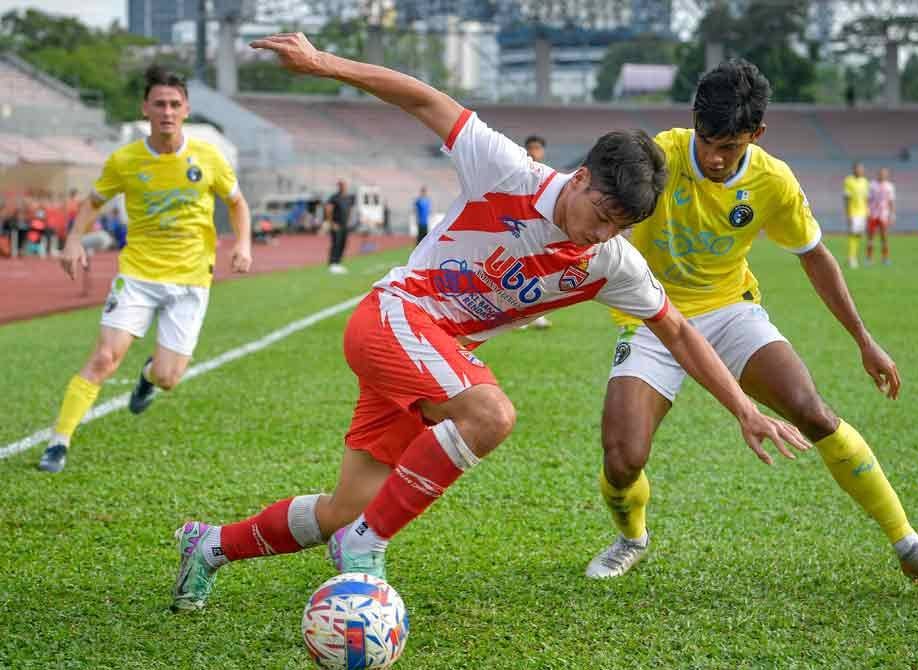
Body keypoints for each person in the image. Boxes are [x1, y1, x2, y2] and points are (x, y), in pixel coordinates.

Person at [168, 33, 809, 612]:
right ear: (580, 177)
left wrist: (744, 411)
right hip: (393, 317)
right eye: (602, 213)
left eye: (621, 226)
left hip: (428, 357)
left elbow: (679, 333)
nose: (603, 233)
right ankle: (365, 550)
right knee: (491, 414)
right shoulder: (506, 170)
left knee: (345, 507)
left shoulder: (611, 262)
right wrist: (319, 62)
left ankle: (211, 547)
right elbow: (422, 98)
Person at [585, 59, 918, 587]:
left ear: (757, 134)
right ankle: (632, 537)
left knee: (813, 413)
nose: (717, 157)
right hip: (654, 315)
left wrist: (864, 339)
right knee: (623, 457)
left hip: (730, 309)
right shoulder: (661, 155)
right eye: (708, 140)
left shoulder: (773, 181)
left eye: (732, 146)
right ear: (693, 120)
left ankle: (909, 544)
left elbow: (815, 256)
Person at [37, 65, 252, 474]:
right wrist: (72, 240)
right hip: (137, 274)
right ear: (146, 108)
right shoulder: (125, 160)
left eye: (174, 104)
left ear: (186, 109)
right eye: (159, 104)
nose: (167, 111)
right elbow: (93, 202)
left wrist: (243, 243)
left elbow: (237, 202)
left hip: (191, 280)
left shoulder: (208, 157)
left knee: (170, 377)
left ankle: (149, 378)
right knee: (103, 358)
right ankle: (58, 442)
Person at [521, 134, 552, 330]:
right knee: (517, 271)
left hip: (540, 230)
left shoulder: (549, 176)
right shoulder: (520, 173)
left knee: (539, 272)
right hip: (520, 227)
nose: (534, 152)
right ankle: (513, 318)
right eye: (531, 148)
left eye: (537, 148)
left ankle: (535, 316)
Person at [866, 167, 895, 265]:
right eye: (881, 173)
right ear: (878, 174)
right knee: (871, 237)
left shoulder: (889, 186)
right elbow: (868, 199)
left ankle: (885, 258)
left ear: (887, 175)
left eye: (885, 174)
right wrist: (867, 211)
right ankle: (869, 258)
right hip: (873, 214)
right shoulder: (872, 185)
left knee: (884, 237)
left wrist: (892, 214)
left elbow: (891, 201)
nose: (882, 175)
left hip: (884, 215)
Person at [843, 161, 868, 269]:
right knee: (853, 235)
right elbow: (846, 198)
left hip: (863, 212)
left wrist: (867, 211)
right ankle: (851, 258)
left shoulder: (865, 181)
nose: (860, 171)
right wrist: (848, 214)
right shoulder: (849, 181)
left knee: (858, 235)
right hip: (853, 212)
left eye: (862, 169)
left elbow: (866, 198)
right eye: (858, 169)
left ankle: (853, 257)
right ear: (854, 169)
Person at [326, 179, 353, 274]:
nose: (343, 187)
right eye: (341, 185)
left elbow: (349, 209)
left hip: (345, 225)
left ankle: (338, 262)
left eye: (344, 185)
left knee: (343, 243)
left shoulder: (348, 197)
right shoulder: (334, 197)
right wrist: (331, 223)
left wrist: (349, 220)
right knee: (336, 243)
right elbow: (328, 209)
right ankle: (332, 263)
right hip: (336, 224)